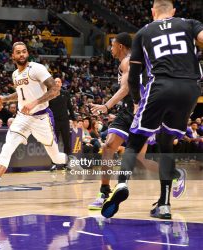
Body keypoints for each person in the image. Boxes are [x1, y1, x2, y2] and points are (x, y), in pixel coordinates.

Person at [101, 0, 203, 219]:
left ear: (152, 12)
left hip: (160, 87)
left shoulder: (143, 32)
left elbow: (135, 76)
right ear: (174, 12)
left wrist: (138, 100)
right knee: (166, 145)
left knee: (135, 141)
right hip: (190, 89)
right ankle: (164, 205)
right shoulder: (190, 23)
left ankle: (121, 185)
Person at [0, 42, 80, 204]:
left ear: (27, 54)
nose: (21, 54)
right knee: (7, 147)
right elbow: (21, 94)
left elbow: (54, 90)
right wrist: (4, 99)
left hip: (42, 117)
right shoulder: (15, 74)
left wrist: (34, 103)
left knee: (56, 157)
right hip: (22, 118)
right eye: (18, 52)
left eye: (24, 51)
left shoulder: (37, 68)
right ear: (13, 56)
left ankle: (71, 161)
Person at [88, 33, 160, 210]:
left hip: (138, 111)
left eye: (112, 45)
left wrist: (106, 106)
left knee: (139, 160)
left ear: (120, 46)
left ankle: (173, 173)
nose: (110, 48)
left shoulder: (127, 61)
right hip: (127, 110)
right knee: (108, 147)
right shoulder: (127, 61)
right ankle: (104, 191)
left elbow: (126, 88)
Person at [49, 77, 76, 171]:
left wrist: (74, 118)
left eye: (58, 81)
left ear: (61, 84)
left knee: (67, 143)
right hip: (54, 121)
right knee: (54, 143)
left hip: (65, 121)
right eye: (55, 81)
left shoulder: (66, 93)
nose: (57, 83)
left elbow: (70, 107)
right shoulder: (50, 94)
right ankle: (54, 164)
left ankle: (67, 163)